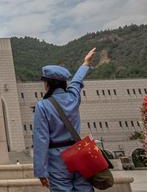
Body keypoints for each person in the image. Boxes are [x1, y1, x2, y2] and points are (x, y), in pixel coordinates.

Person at [33, 48, 97, 191]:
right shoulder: (73, 97)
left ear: (48, 84)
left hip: (57, 160)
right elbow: (77, 81)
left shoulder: (42, 106)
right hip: (79, 153)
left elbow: (41, 140)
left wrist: (40, 171)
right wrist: (86, 63)